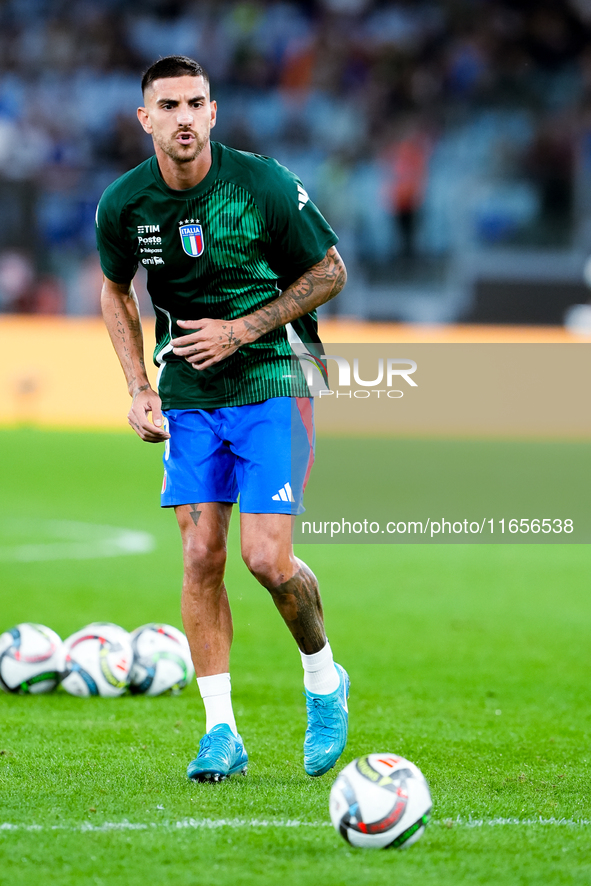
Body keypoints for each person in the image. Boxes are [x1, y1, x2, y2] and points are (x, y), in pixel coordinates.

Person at [96, 55, 349, 782]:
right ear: (146, 119)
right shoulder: (124, 204)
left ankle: (324, 679)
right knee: (201, 555)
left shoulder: (260, 183)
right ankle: (220, 732)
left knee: (264, 559)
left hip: (275, 373)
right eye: (167, 105)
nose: (182, 117)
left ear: (212, 113)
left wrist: (242, 329)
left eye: (194, 103)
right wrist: (138, 386)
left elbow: (331, 271)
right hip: (189, 388)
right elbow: (115, 291)